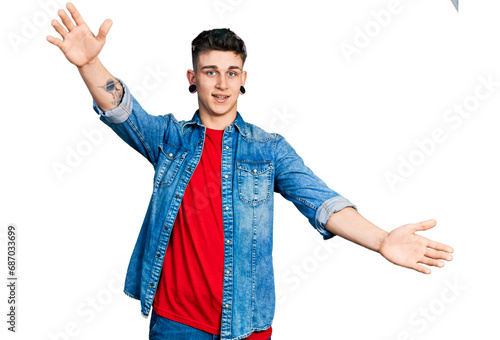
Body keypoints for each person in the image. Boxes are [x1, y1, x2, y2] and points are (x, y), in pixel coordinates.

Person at [46, 3, 454, 340]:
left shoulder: (269, 150)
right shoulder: (169, 139)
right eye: (210, 72)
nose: (221, 84)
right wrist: (90, 63)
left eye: (231, 72)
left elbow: (322, 203)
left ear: (243, 79)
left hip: (246, 324)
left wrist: (383, 239)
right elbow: (122, 110)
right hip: (176, 323)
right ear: (193, 78)